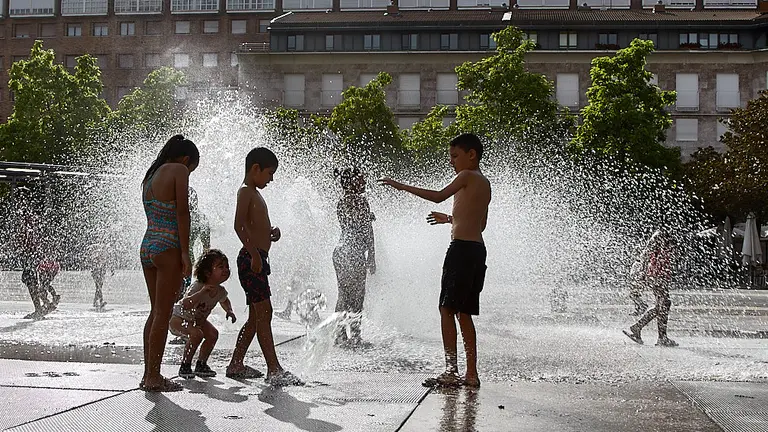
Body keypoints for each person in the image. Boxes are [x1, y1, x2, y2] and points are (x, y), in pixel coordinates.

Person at [379, 133, 491, 389]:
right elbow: (480, 224)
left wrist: (401, 186)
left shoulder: (466, 176)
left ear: (471, 154)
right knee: (464, 312)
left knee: (446, 309)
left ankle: (451, 371)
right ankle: (471, 374)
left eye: (455, 156)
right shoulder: (484, 182)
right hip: (476, 250)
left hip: (460, 251)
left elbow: (439, 196)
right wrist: (452, 219)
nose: (451, 162)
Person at [226, 147, 304, 386]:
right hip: (252, 260)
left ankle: (236, 364)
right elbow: (238, 226)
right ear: (255, 168)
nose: (272, 179)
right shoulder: (246, 192)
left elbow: (252, 226)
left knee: (256, 317)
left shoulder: (254, 193)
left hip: (257, 257)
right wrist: (253, 254)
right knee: (265, 313)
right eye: (270, 173)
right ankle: (274, 369)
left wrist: (270, 234)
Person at [139, 134, 200, 392]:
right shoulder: (178, 170)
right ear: (186, 159)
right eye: (192, 168)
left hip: (148, 245)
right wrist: (185, 253)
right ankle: (154, 377)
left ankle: (148, 374)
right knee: (163, 315)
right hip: (168, 247)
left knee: (155, 312)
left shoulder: (151, 175)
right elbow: (182, 213)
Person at [169, 249, 236, 379]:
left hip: (195, 320)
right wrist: (201, 293)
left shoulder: (220, 291)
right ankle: (185, 365)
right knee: (197, 334)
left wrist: (229, 311)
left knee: (213, 334)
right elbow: (185, 304)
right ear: (207, 272)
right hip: (178, 318)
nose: (226, 270)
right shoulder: (198, 286)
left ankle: (201, 364)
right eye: (220, 267)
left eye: (227, 266)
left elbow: (224, 301)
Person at [331, 167, 376, 347]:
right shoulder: (360, 200)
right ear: (352, 182)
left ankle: (340, 334)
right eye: (361, 179)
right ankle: (355, 336)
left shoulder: (342, 201)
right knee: (356, 297)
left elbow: (353, 225)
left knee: (344, 294)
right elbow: (366, 230)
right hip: (353, 253)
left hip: (341, 251)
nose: (364, 182)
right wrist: (372, 256)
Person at [623, 230, 678, 347]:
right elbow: (655, 267)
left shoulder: (657, 250)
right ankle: (660, 337)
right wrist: (657, 279)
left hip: (657, 279)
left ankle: (639, 328)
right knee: (664, 305)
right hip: (658, 279)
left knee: (662, 306)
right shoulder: (659, 251)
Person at [87, 243, 111, 310]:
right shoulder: (96, 256)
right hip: (96, 273)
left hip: (101, 273)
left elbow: (105, 265)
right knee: (99, 287)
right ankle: (101, 301)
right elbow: (93, 265)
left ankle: (95, 301)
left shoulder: (104, 257)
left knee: (98, 287)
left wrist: (111, 270)